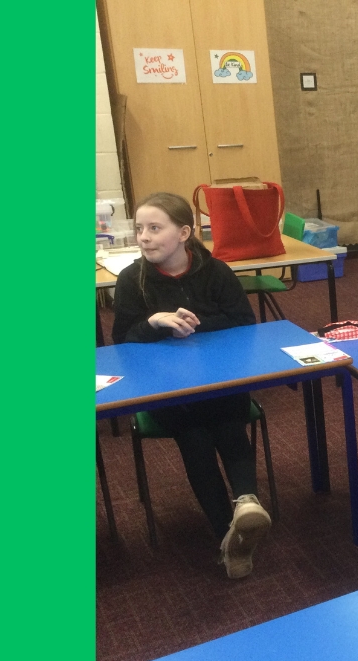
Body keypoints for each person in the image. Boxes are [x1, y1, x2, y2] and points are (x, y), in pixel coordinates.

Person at [111, 192, 269, 579]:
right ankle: (229, 534)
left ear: (184, 233)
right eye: (139, 229)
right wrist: (155, 323)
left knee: (230, 419)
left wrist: (193, 323)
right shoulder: (133, 280)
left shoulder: (216, 272)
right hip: (169, 394)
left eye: (154, 228)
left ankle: (246, 503)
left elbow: (244, 324)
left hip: (219, 382)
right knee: (196, 435)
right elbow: (120, 342)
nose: (144, 237)